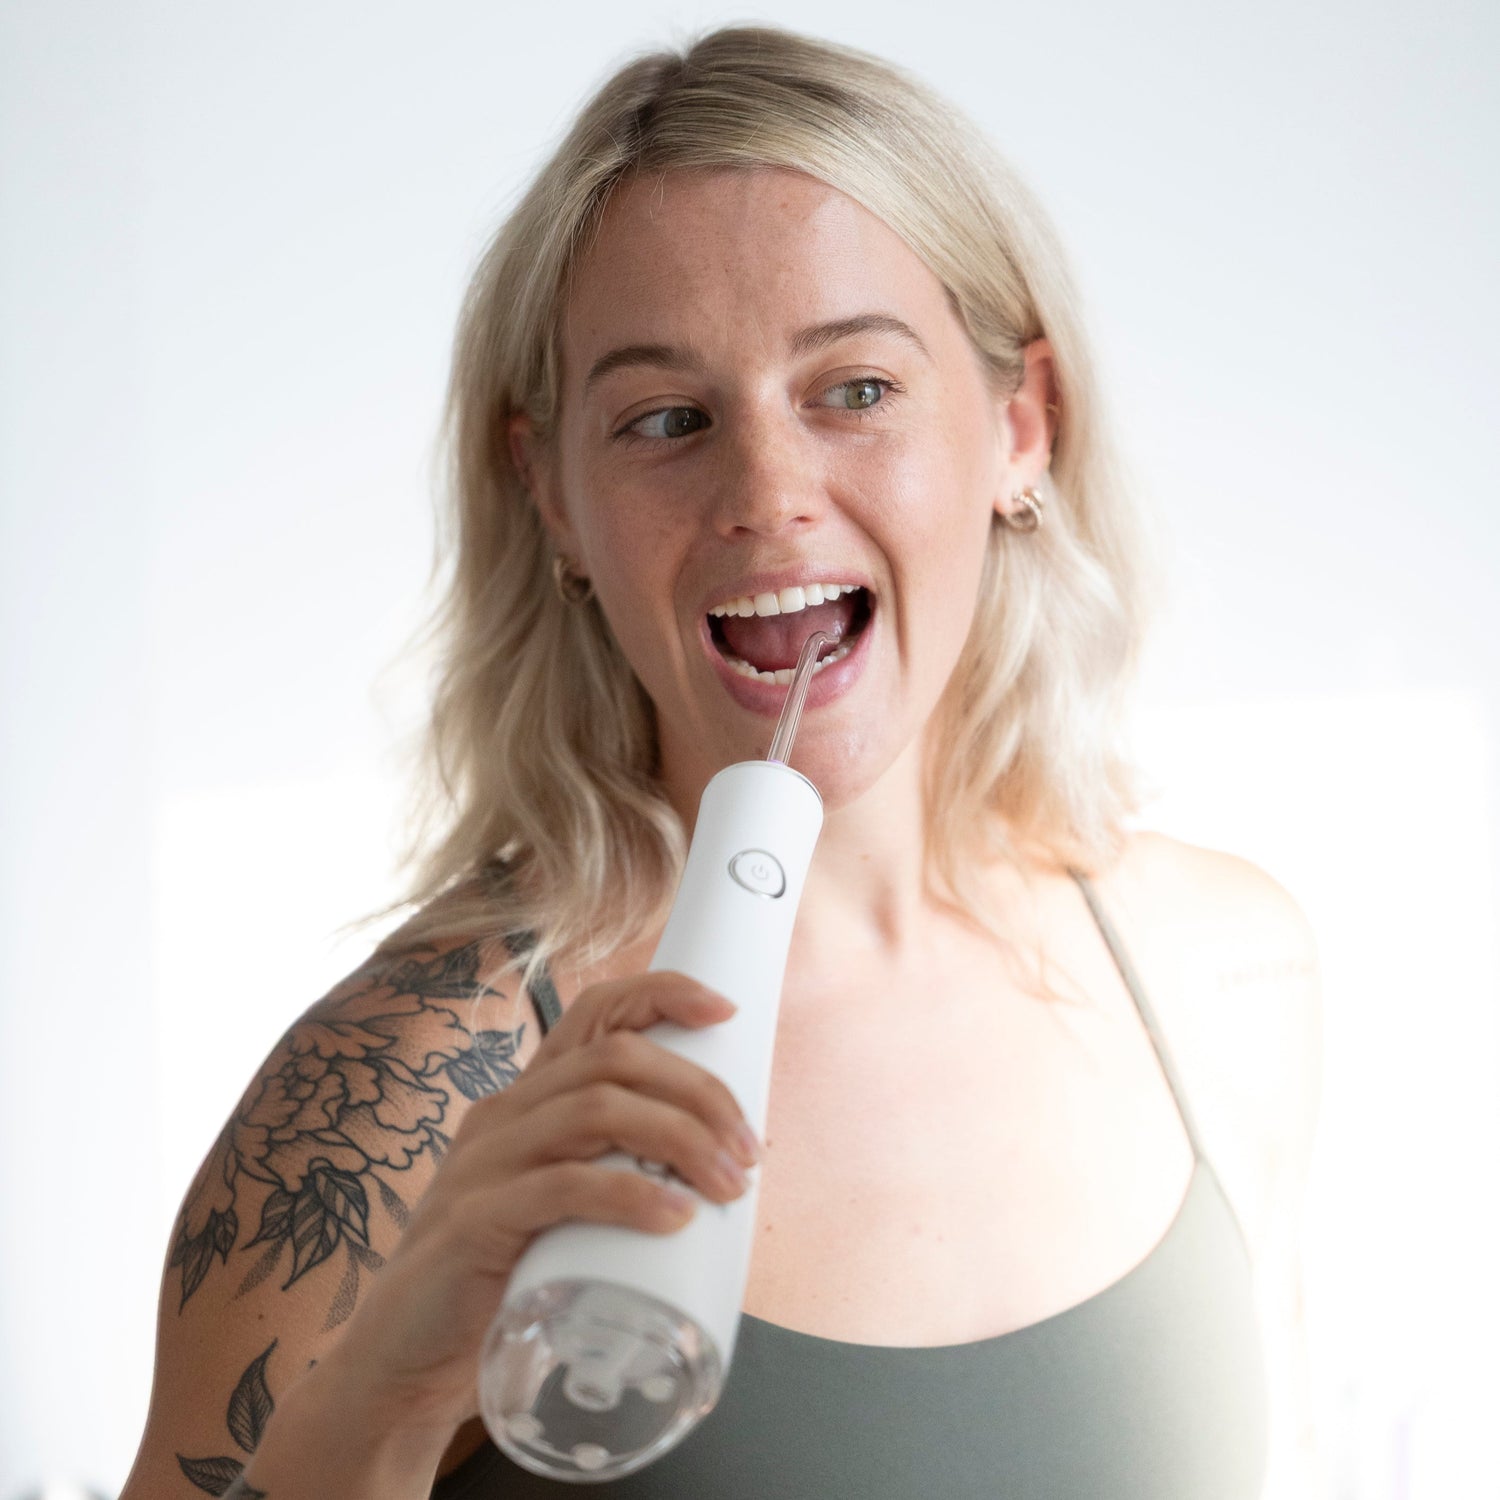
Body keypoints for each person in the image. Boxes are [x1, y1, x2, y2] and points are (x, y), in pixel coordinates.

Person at [119, 23, 1325, 1499]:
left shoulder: (1222, 976)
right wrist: (385, 1390)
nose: (767, 494)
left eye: (856, 390)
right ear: (551, 497)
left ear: (1022, 425)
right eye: (666, 420)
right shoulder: (400, 1101)